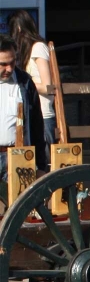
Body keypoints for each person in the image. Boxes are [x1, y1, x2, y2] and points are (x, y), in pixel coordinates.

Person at [9, 10, 57, 168]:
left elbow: (47, 85)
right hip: (26, 117)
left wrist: (26, 82)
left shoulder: (38, 48)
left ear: (19, 29)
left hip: (42, 115)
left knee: (43, 165)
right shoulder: (24, 52)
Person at [0, 34, 46, 185]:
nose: (9, 68)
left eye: (12, 62)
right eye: (3, 64)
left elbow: (37, 126)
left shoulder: (25, 82)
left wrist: (40, 165)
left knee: (18, 206)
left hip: (17, 155)